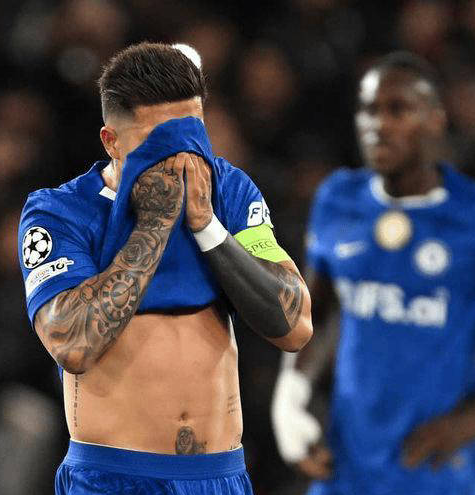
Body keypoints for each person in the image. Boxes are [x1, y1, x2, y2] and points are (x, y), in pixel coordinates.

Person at [271, 51, 475, 494]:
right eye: (369, 110)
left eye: (398, 110)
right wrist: (290, 397)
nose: (378, 125)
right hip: (346, 467)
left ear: (434, 120)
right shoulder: (337, 199)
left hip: (435, 470)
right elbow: (315, 314)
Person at [17, 42, 312, 495]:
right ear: (112, 142)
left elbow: (294, 326)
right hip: (115, 479)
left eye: (191, 135)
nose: (179, 157)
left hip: (220, 476)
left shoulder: (228, 191)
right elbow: (72, 343)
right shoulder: (60, 212)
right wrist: (155, 223)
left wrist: (207, 225)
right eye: (158, 142)